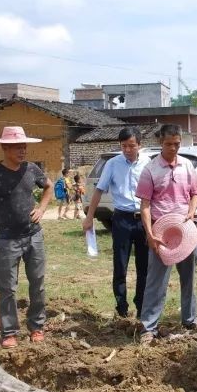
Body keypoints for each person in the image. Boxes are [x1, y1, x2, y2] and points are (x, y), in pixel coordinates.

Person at [0, 126, 53, 348]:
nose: (22, 151)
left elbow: (48, 187)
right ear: (4, 148)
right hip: (7, 239)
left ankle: (37, 326)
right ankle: (9, 332)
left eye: (24, 147)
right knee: (8, 287)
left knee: (37, 283)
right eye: (17, 147)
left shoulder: (31, 169)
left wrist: (41, 208)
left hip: (33, 236)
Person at [136, 124, 197, 345]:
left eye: (176, 144)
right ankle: (148, 327)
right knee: (156, 280)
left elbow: (195, 193)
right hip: (160, 231)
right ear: (160, 142)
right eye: (168, 144)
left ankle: (190, 319)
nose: (173, 148)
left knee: (189, 276)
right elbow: (144, 205)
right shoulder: (150, 170)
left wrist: (192, 212)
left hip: (185, 230)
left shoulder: (187, 166)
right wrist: (150, 233)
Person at [83, 127, 150, 319]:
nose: (128, 150)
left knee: (144, 266)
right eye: (124, 146)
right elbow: (98, 190)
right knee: (120, 264)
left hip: (143, 219)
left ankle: (141, 306)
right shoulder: (112, 164)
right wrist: (89, 217)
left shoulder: (148, 163)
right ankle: (121, 306)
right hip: (121, 219)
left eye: (131, 146)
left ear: (139, 145)